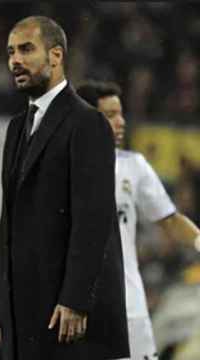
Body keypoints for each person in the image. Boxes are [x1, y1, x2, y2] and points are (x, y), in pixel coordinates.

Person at [0, 16, 129, 359]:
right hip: (22, 310)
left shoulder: (88, 122)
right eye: (11, 52)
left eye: (27, 49)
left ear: (56, 56)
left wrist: (75, 298)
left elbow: (94, 219)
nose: (15, 60)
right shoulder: (17, 127)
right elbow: (10, 217)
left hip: (65, 317)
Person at [76, 80, 200, 360]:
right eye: (110, 115)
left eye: (120, 113)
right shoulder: (61, 173)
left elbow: (169, 219)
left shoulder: (133, 166)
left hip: (129, 306)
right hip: (77, 311)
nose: (120, 122)